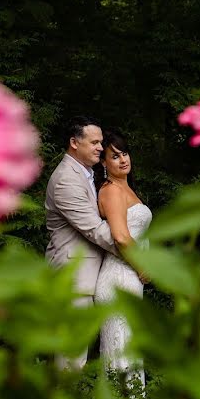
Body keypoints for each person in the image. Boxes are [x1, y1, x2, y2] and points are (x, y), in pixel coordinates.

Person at [45, 116, 120, 370]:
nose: (101, 147)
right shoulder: (66, 178)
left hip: (86, 276)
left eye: (101, 142)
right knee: (70, 358)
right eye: (95, 142)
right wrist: (132, 252)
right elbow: (95, 230)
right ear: (74, 143)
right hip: (72, 276)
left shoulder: (87, 174)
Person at [93, 130, 151, 388]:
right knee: (121, 353)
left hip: (129, 277)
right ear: (103, 163)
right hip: (120, 277)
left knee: (129, 350)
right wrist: (142, 268)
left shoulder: (126, 189)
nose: (122, 159)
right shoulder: (111, 191)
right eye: (114, 156)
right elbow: (121, 237)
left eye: (124, 153)